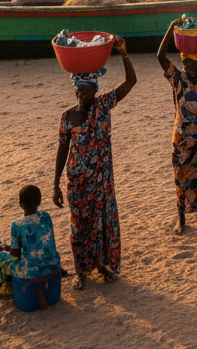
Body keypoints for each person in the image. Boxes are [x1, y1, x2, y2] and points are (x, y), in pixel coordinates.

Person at [53, 37, 136, 290]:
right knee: (79, 226)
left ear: (95, 91)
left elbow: (131, 82)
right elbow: (62, 148)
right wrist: (55, 182)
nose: (81, 96)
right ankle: (81, 271)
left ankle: (102, 266)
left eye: (86, 91)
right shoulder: (67, 117)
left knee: (102, 223)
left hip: (102, 181)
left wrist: (123, 53)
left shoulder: (103, 106)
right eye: (78, 91)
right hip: (77, 182)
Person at [157, 20, 197, 235]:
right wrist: (172, 26)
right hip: (182, 139)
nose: (188, 69)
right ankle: (181, 221)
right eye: (185, 65)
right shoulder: (178, 79)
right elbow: (160, 57)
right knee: (181, 177)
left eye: (192, 66)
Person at [0, 185, 62, 310]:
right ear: (39, 202)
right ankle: (42, 289)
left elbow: (15, 254)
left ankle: (7, 290)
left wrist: (7, 250)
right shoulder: (46, 217)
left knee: (0, 257)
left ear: (20, 203)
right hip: (53, 266)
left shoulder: (17, 225)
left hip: (30, 272)